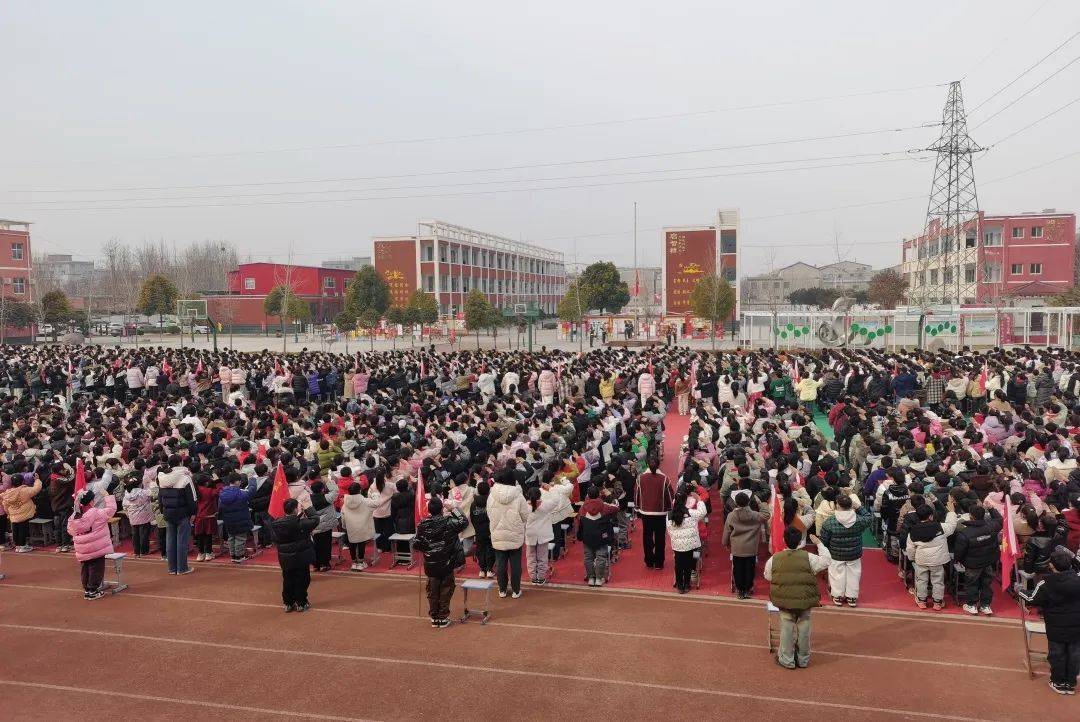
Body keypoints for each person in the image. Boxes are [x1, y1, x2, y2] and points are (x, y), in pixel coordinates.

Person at [764, 527, 832, 669]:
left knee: (787, 629)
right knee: (804, 628)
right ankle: (803, 659)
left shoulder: (774, 559)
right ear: (801, 541)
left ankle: (787, 659)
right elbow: (826, 561)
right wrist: (819, 543)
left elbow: (768, 576)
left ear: (784, 540)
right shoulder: (809, 557)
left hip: (785, 601)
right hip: (805, 599)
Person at [1019, 547, 1080, 694]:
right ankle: (1070, 683)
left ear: (1052, 566)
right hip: (1077, 625)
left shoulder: (1046, 583)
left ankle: (1058, 682)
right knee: (1074, 654)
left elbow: (1032, 598)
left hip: (1056, 626)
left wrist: (1020, 590)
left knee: (1057, 654)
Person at [412, 496, 469, 627]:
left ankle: (434, 616)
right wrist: (454, 508)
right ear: (442, 508)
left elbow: (417, 545)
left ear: (429, 510)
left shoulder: (422, 525)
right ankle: (442, 616)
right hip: (447, 563)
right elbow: (464, 521)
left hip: (430, 563)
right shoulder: (449, 522)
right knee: (446, 589)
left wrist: (427, 547)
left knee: (432, 590)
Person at [818, 495, 873, 607]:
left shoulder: (829, 522)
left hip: (836, 554)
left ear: (837, 505)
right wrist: (858, 507)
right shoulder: (859, 520)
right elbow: (869, 517)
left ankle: (837, 596)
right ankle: (852, 598)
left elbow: (824, 540)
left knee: (836, 574)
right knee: (854, 574)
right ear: (851, 505)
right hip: (854, 553)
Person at [905, 499, 958, 610]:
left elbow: (910, 548)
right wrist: (952, 512)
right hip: (937, 561)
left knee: (921, 580)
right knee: (938, 581)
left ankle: (922, 601)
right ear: (931, 516)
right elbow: (952, 525)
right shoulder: (940, 527)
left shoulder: (912, 532)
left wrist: (913, 559)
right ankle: (937, 602)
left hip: (921, 560)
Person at [66, 490, 117, 600]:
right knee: (96, 568)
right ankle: (93, 590)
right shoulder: (96, 513)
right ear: (91, 501)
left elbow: (70, 531)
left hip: (82, 548)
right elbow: (111, 510)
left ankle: (87, 589)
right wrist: (108, 496)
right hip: (96, 547)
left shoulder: (75, 515)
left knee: (85, 568)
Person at [953, 504, 1003, 615]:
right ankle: (985, 606)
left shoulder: (964, 533)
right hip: (988, 562)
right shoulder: (992, 526)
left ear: (970, 516)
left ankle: (972, 605)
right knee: (987, 584)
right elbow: (1000, 519)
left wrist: (957, 560)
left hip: (972, 565)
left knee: (971, 584)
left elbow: (959, 552)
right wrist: (991, 508)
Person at [271, 498, 319, 612]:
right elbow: (316, 519)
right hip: (301, 556)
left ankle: (288, 603)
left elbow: (274, 538)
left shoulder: (276, 524)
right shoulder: (300, 523)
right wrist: (308, 507)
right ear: (295, 509)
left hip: (285, 557)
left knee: (288, 579)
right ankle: (301, 602)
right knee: (302, 579)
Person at [487, 476, 529, 598]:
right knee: (516, 565)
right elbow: (525, 515)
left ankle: (502, 590)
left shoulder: (491, 496)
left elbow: (489, 513)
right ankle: (516, 590)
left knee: (500, 564)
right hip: (515, 534)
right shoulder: (519, 495)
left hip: (498, 533)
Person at [722, 492, 767, 598]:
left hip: (737, 547)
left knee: (738, 569)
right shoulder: (755, 515)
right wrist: (760, 503)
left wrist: (725, 543)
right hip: (751, 547)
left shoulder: (731, 515)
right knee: (750, 569)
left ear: (736, 503)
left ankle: (740, 590)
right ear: (749, 501)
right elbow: (766, 514)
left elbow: (727, 531)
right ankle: (748, 588)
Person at [157, 459, 196, 575]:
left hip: (168, 512)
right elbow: (192, 497)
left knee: (170, 540)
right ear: (180, 463)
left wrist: (162, 511)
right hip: (183, 513)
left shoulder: (163, 477)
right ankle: (182, 568)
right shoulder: (185, 477)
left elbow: (160, 497)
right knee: (182, 541)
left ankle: (172, 568)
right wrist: (193, 512)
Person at [669, 486, 708, 593]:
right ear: (685, 501)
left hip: (677, 545)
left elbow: (668, 529)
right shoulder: (691, 513)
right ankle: (687, 584)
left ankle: (679, 585)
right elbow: (703, 512)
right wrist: (699, 500)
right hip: (691, 544)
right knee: (688, 564)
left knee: (678, 564)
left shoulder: (669, 515)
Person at [636, 457, 673, 569]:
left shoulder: (640, 478)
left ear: (647, 464)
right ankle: (659, 563)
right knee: (660, 538)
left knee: (647, 537)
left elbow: (636, 494)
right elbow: (670, 496)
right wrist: (669, 509)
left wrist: (638, 509)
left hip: (646, 513)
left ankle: (649, 561)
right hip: (660, 513)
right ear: (658, 465)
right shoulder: (665, 479)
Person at [340, 481, 379, 570]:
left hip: (350, 527)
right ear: (360, 491)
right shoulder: (365, 501)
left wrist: (344, 526)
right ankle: (360, 563)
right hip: (362, 527)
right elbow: (377, 503)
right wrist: (375, 494)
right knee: (361, 543)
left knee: (352, 544)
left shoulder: (345, 503)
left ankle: (354, 563)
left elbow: (343, 516)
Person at [218, 474, 255, 563]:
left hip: (228, 520)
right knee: (240, 538)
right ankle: (239, 556)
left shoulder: (222, 493)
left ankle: (233, 555)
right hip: (241, 519)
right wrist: (252, 479)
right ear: (237, 481)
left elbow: (220, 507)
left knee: (231, 537)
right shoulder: (241, 493)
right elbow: (252, 491)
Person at [1, 474, 42, 553]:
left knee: (15, 529)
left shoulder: (8, 493)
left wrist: (8, 513)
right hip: (24, 514)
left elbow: (5, 504)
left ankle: (18, 546)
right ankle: (23, 546)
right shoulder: (25, 490)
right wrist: (37, 480)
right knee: (22, 529)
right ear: (23, 481)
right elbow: (36, 489)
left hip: (13, 515)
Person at [470, 481, 495, 578]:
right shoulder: (491, 502)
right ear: (488, 490)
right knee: (490, 549)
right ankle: (489, 569)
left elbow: (472, 517)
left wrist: (476, 528)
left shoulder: (473, 504)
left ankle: (482, 570)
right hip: (490, 530)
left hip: (478, 531)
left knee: (480, 549)